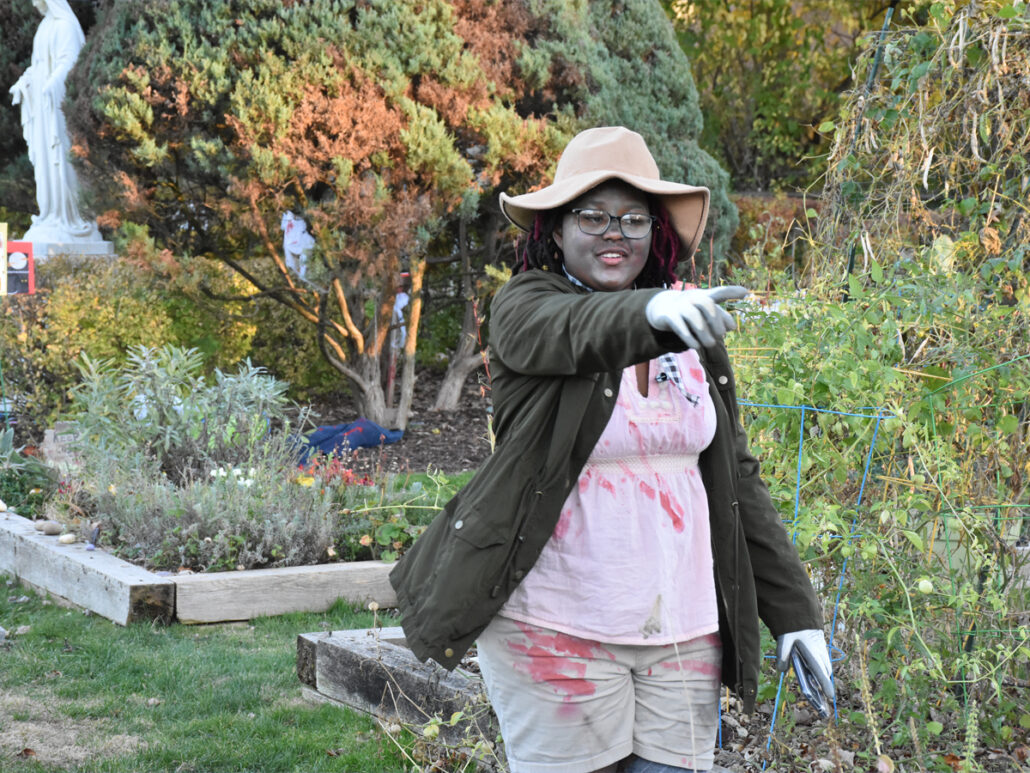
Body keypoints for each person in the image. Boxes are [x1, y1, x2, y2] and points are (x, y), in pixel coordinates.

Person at [390, 126, 834, 773]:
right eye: (592, 215)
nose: (613, 232)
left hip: (683, 631)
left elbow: (736, 479)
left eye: (631, 218)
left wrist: (795, 612)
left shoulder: (692, 321)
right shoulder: (526, 306)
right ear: (556, 229)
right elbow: (580, 330)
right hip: (556, 626)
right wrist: (651, 312)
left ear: (653, 232)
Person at [9, 0, 102, 246]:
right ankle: (51, 216)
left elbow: (70, 64)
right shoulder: (45, 26)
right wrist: (25, 83)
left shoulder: (65, 26)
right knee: (46, 166)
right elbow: (37, 67)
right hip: (42, 109)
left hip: (57, 110)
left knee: (62, 161)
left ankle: (69, 218)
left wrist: (52, 85)